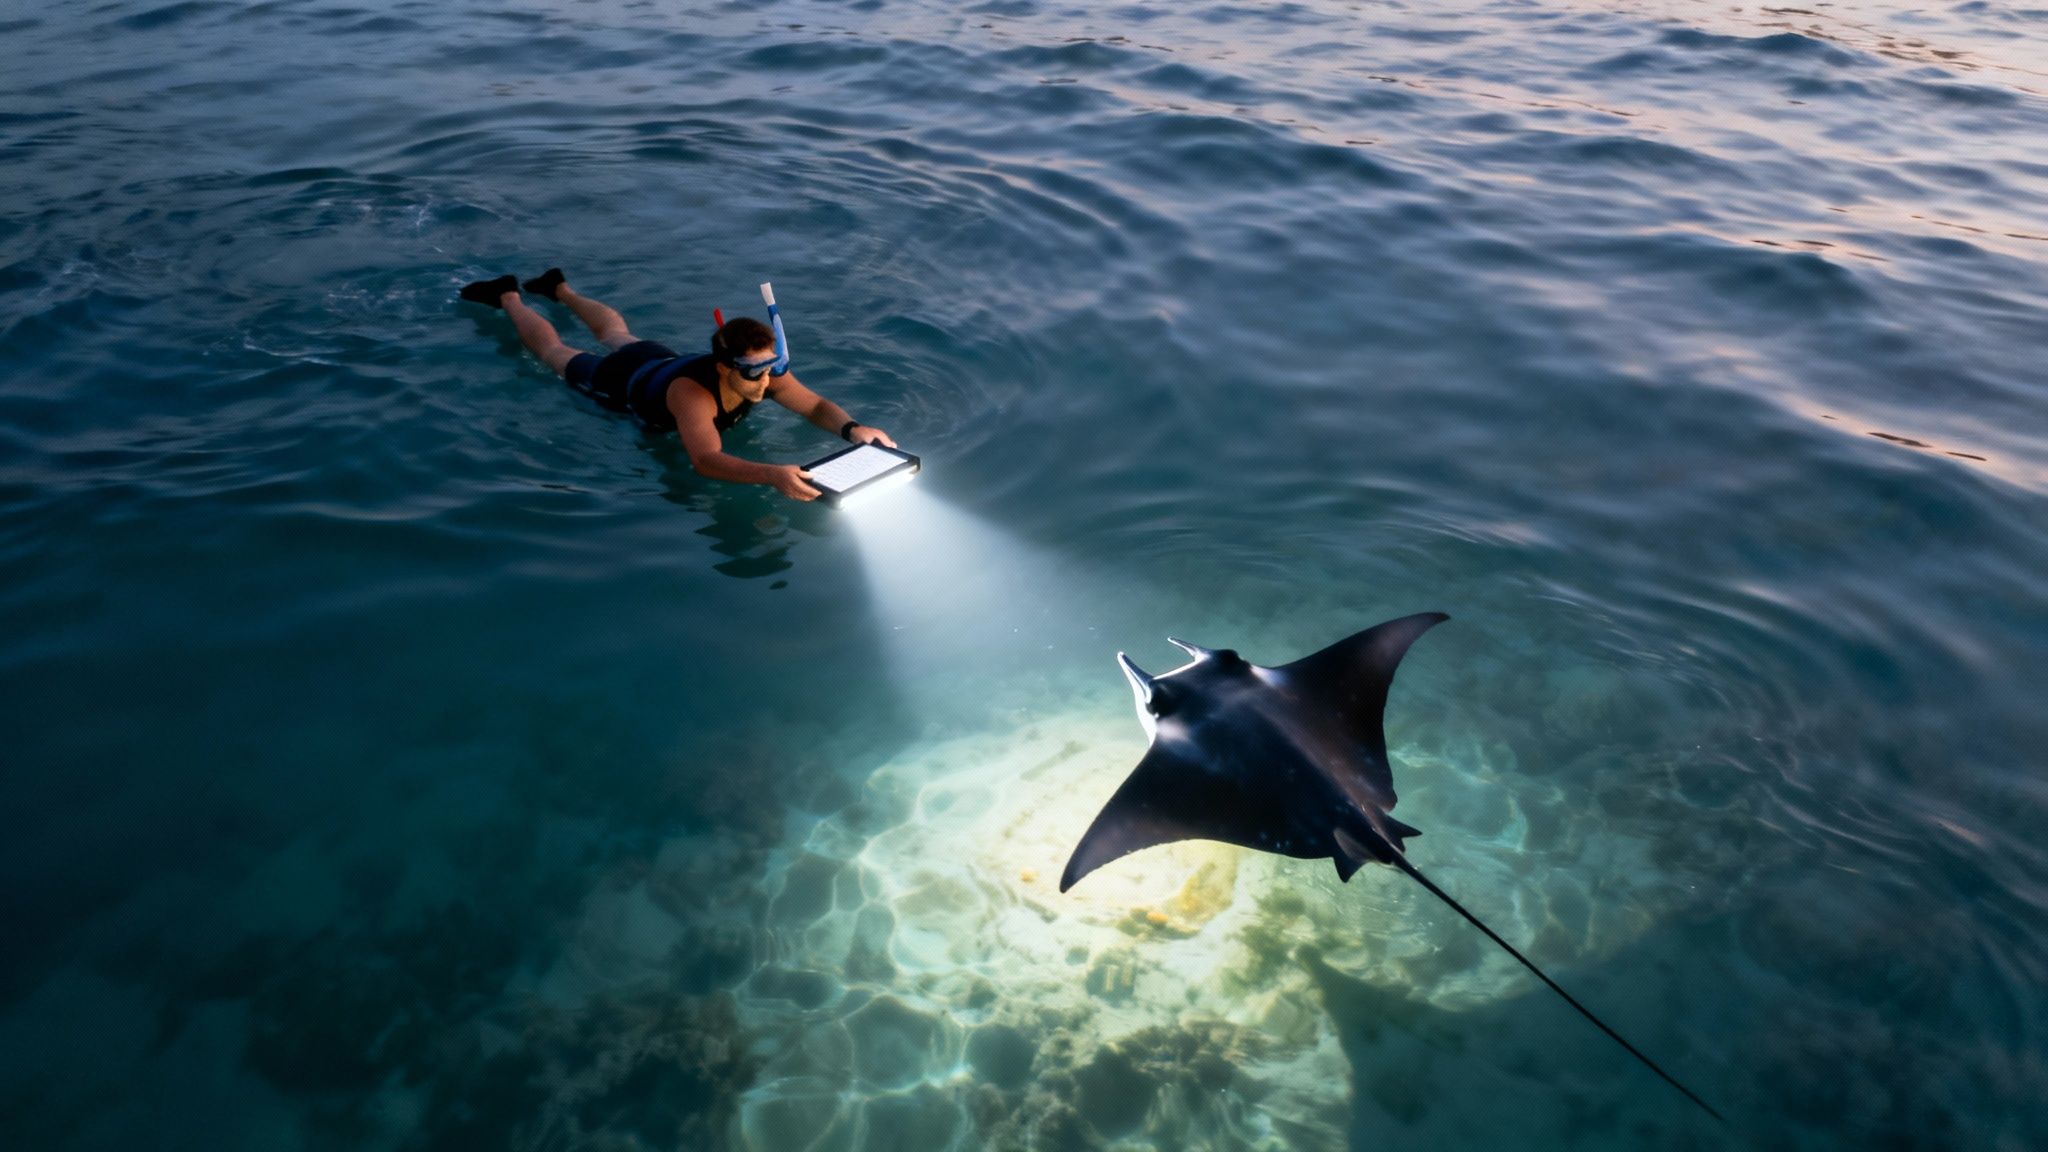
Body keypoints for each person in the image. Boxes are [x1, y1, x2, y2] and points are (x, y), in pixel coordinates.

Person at [461, 269, 896, 502]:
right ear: (725, 368)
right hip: (624, 382)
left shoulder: (764, 370)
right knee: (555, 353)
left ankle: (559, 288)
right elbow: (706, 460)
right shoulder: (694, 395)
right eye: (755, 373)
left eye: (773, 367)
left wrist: (853, 429)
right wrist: (771, 475)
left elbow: (814, 405)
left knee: (617, 334)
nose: (768, 380)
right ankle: (508, 295)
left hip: (659, 361)